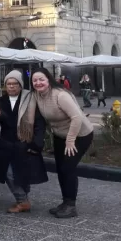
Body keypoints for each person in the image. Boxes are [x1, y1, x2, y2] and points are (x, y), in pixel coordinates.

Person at [21, 68, 94, 219]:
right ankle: (65, 202)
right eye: (35, 80)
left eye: (41, 79)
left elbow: (77, 117)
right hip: (60, 135)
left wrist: (70, 141)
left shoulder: (60, 95)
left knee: (68, 167)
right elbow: (30, 117)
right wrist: (26, 136)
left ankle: (71, 205)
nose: (38, 83)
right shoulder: (36, 95)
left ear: (48, 79)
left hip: (79, 134)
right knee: (60, 169)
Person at [0, 70, 48, 213]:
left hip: (24, 142)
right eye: (8, 84)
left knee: (23, 174)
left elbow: (39, 123)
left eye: (15, 83)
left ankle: (23, 199)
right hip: (6, 144)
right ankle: (22, 200)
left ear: (20, 85)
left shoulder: (30, 99)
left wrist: (37, 143)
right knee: (9, 174)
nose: (11, 86)